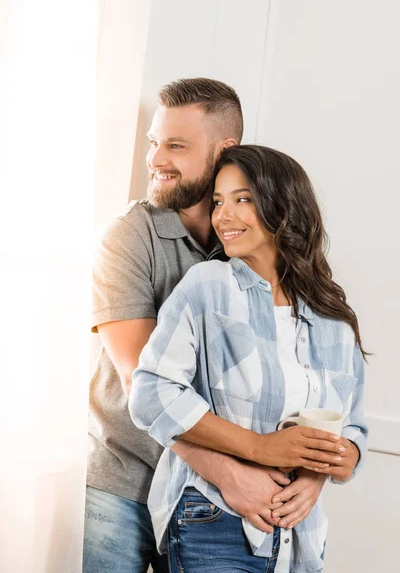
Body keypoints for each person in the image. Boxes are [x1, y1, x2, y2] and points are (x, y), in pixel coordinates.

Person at [85, 78, 342, 573]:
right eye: (154, 143)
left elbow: (304, 379)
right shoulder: (127, 237)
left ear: (226, 149)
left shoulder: (249, 244)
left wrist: (314, 474)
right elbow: (144, 385)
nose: (157, 158)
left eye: (176, 146)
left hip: (210, 504)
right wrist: (231, 472)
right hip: (123, 487)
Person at [129, 144, 368, 573]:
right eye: (218, 201)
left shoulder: (331, 313)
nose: (223, 216)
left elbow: (352, 426)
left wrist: (334, 465)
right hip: (214, 518)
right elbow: (151, 393)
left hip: (302, 533)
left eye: (243, 199)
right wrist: (259, 447)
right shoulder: (208, 286)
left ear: (284, 206)